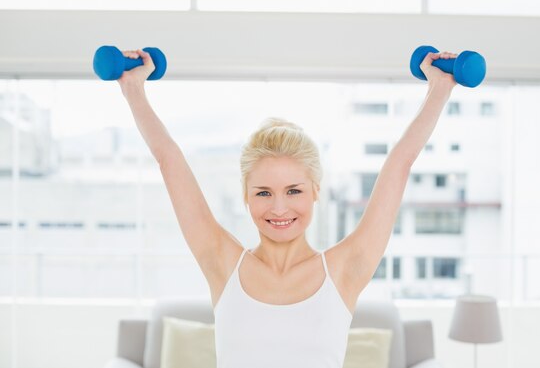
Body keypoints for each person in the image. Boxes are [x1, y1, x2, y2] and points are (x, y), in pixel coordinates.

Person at [116, 48, 458, 368]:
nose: (279, 208)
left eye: (293, 190)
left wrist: (439, 89)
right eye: (263, 193)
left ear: (315, 192)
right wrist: (133, 89)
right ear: (246, 196)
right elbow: (169, 160)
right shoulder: (222, 262)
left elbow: (400, 163)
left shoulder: (344, 269)